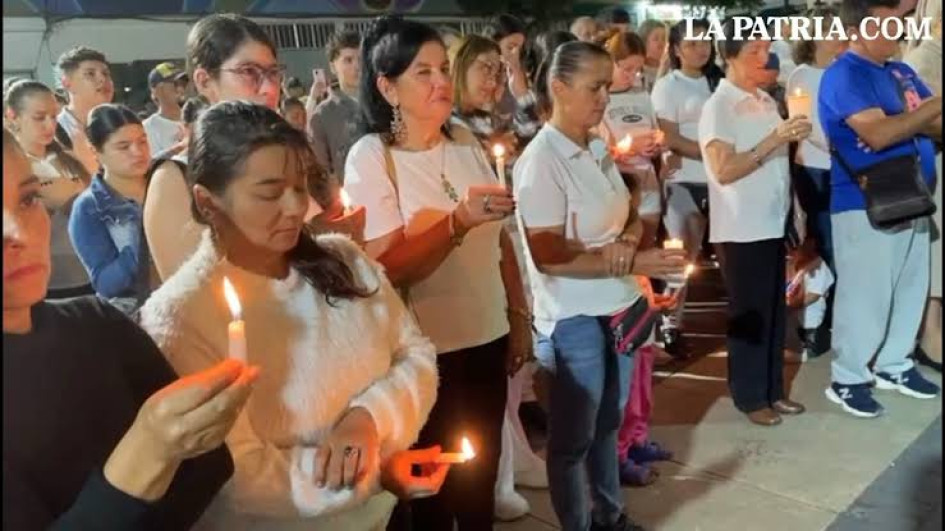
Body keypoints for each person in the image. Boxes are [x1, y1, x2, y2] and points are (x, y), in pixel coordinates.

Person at [139, 100, 447, 530]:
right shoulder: (180, 316)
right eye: (268, 193)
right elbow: (236, 477)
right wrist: (375, 475)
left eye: (300, 186)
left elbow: (414, 353)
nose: (294, 207)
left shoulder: (343, 259)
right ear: (207, 202)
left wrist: (370, 418)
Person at [3, 125, 254, 530]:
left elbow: (210, 464)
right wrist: (148, 454)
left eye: (28, 199)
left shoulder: (97, 325)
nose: (17, 232)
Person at [345, 16, 531, 530]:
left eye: (444, 68)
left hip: (486, 337)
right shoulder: (373, 157)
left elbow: (500, 243)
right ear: (388, 86)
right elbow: (387, 266)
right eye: (423, 72)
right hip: (424, 357)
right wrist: (455, 222)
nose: (442, 82)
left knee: (479, 484)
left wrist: (518, 314)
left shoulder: (466, 140)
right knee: (431, 499)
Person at [515, 40, 688, 531]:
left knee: (608, 423)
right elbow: (548, 256)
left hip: (619, 304)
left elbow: (627, 207)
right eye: (594, 88)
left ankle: (610, 516)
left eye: (606, 89)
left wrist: (631, 238)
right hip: (573, 316)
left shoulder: (595, 145)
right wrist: (631, 259)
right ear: (558, 88)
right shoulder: (540, 161)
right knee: (572, 439)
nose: (603, 99)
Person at [145, 14, 358, 284]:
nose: (269, 88)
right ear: (204, 81)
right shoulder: (174, 179)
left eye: (272, 73)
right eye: (249, 72)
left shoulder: (292, 158)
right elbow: (191, 303)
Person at [819, 0, 942, 417]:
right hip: (864, 201)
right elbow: (880, 135)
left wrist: (914, 116)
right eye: (890, 25)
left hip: (914, 193)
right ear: (861, 28)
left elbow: (934, 121)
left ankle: (894, 363)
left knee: (910, 287)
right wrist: (913, 115)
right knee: (865, 295)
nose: (900, 32)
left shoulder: (900, 70)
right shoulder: (844, 75)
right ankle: (848, 377)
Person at [699, 19, 811, 426]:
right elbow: (723, 169)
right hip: (740, 226)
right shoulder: (720, 106)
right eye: (754, 51)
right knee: (749, 314)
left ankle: (773, 390)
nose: (765, 58)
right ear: (727, 56)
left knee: (774, 310)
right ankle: (749, 396)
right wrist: (773, 141)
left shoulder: (764, 100)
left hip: (771, 222)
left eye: (766, 49)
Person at [651, 19, 721, 352]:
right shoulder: (668, 86)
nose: (700, 49)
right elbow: (669, 136)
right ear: (677, 49)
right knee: (680, 258)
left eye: (705, 41)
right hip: (685, 182)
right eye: (692, 44)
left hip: (723, 181)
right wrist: (711, 154)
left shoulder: (719, 82)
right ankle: (671, 324)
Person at [4, 79, 93, 299]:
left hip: (87, 271)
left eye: (54, 117)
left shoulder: (69, 159)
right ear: (12, 116)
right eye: (39, 117)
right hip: (42, 279)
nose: (49, 125)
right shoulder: (14, 168)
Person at [68, 104, 156, 314]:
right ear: (96, 152)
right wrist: (145, 241)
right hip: (135, 314)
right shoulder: (89, 207)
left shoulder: (164, 183)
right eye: (124, 146)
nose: (138, 152)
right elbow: (106, 284)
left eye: (142, 141)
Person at [788, 5, 847, 271]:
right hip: (815, 167)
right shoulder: (801, 75)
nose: (839, 34)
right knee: (825, 239)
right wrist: (839, 147)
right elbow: (805, 124)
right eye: (831, 30)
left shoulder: (843, 70)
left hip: (843, 164)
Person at [903, 0, 942, 372]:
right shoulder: (923, 59)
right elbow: (917, 118)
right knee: (938, 254)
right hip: (937, 166)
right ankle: (929, 337)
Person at [309, 30, 363, 185]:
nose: (357, 66)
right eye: (348, 60)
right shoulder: (322, 115)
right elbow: (321, 171)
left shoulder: (383, 105)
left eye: (361, 59)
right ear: (333, 67)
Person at [56, 46, 113, 175]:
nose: (102, 80)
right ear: (67, 83)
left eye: (106, 73)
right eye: (90, 74)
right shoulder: (55, 131)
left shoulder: (120, 123)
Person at [485, 14, 540, 142]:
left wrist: (522, 94)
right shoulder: (479, 81)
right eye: (510, 47)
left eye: (520, 49)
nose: (516, 54)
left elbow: (533, 132)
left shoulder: (520, 78)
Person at [143, 62, 184, 156]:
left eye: (183, 83)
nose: (180, 89)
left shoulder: (198, 120)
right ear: (157, 90)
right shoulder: (148, 128)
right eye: (175, 84)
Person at [637, 20, 667, 93]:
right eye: (656, 39)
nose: (661, 44)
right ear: (644, 42)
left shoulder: (673, 69)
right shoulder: (636, 71)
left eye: (664, 39)